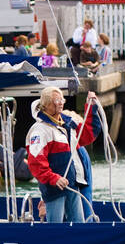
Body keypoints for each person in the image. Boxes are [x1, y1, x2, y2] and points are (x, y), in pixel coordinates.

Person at [26, 86, 103, 223]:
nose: (60, 103)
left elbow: (88, 134)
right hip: (54, 188)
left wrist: (91, 108)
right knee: (55, 225)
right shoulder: (40, 130)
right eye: (56, 101)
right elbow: (36, 163)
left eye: (61, 99)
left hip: (71, 184)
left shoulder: (67, 124)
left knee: (79, 224)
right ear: (46, 104)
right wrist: (53, 178)